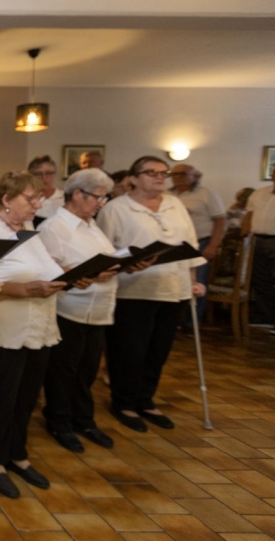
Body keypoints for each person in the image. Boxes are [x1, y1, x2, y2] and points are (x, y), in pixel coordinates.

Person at [0, 171, 66, 499]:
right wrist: (25, 289)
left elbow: (48, 267)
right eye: (29, 198)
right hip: (4, 331)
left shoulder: (28, 230)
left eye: (38, 198)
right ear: (7, 200)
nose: (36, 204)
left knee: (26, 398)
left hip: (38, 328)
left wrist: (73, 276)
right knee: (0, 398)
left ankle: (17, 454)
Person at [97, 156, 205, 433]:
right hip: (135, 291)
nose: (159, 177)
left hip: (174, 288)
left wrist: (193, 280)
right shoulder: (116, 208)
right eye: (151, 173)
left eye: (163, 173)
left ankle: (146, 399)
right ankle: (124, 402)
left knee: (158, 349)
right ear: (134, 178)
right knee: (129, 351)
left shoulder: (175, 204)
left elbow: (191, 244)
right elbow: (105, 251)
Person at [37, 169, 120, 453]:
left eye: (105, 197)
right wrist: (78, 272)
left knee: (87, 370)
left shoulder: (92, 225)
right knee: (64, 371)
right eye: (98, 197)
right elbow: (44, 269)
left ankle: (84, 419)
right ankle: (60, 420)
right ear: (76, 194)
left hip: (98, 309)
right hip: (69, 309)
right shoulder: (53, 227)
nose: (101, 203)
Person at [169, 164, 226, 319]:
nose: (177, 177)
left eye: (182, 174)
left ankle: (192, 320)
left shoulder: (207, 193)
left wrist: (213, 245)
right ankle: (176, 319)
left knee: (196, 282)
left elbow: (220, 220)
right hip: (173, 245)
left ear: (196, 176)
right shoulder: (167, 195)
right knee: (175, 280)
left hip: (200, 243)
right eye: (173, 174)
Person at [246, 175, 275, 326]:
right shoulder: (259, 193)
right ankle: (265, 316)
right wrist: (244, 237)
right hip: (258, 240)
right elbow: (249, 215)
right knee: (260, 279)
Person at [29, 155, 64, 221]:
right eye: (38, 174)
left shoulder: (65, 198)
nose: (44, 178)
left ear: (55, 174)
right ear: (31, 176)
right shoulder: (26, 199)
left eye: (48, 173)